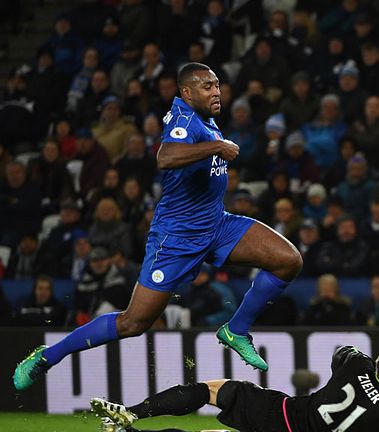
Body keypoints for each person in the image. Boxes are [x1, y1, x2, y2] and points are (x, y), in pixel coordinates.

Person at [14, 63, 302, 391]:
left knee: (287, 260)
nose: (216, 91)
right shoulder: (183, 120)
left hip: (216, 225)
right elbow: (165, 157)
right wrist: (218, 147)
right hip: (176, 239)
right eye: (207, 87)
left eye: (217, 85)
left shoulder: (204, 119)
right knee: (133, 323)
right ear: (186, 92)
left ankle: (236, 330)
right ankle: (47, 357)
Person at [91, 344, 379, 432]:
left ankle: (132, 414)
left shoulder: (357, 366)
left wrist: (363, 364)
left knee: (213, 390)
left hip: (283, 416)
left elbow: (343, 353)